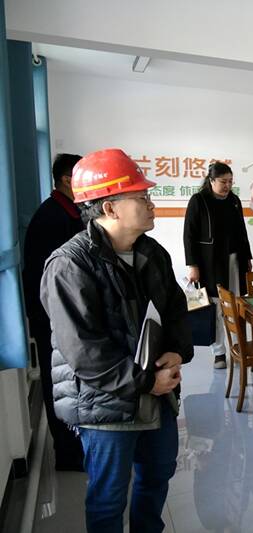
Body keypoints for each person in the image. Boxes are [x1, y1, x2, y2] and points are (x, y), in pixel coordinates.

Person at [40, 149, 193, 533]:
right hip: (104, 401)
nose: (151, 204)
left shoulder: (152, 252)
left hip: (156, 393)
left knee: (157, 476)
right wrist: (147, 381)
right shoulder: (70, 265)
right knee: (108, 497)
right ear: (110, 208)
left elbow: (175, 309)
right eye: (142, 197)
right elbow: (84, 352)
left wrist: (176, 350)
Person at [22, 153, 85, 471]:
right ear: (66, 180)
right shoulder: (52, 218)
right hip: (53, 316)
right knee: (59, 382)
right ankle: (68, 452)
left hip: (62, 314)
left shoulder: (68, 213)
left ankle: (74, 447)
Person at [183, 162, 252, 369]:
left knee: (236, 305)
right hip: (210, 263)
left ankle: (238, 348)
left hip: (234, 261)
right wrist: (192, 265)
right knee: (215, 307)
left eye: (230, 181)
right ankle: (219, 352)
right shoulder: (199, 200)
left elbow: (242, 231)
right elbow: (189, 235)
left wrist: (247, 257)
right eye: (223, 182)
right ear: (211, 180)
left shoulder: (234, 201)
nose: (227, 186)